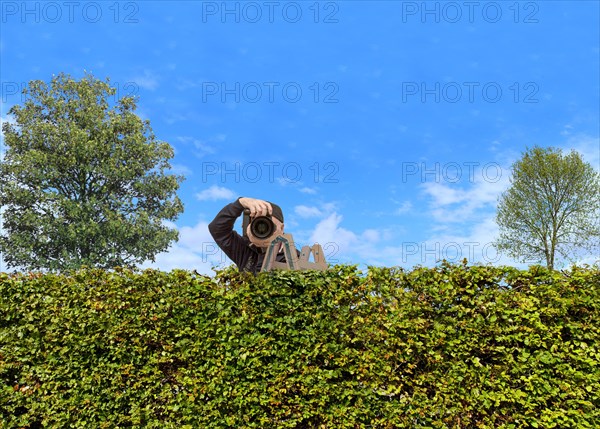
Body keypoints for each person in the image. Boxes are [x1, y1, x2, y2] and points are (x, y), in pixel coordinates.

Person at [208, 197, 291, 273]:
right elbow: (217, 229)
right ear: (247, 225)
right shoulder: (246, 248)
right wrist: (240, 203)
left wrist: (267, 251)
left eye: (269, 224)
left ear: (282, 228)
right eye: (257, 223)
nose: (262, 229)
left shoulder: (294, 258)